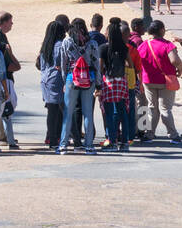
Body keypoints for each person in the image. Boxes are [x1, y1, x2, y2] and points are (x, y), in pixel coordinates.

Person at [55, 18, 99, 154]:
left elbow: (64, 63)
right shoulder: (92, 43)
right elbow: (96, 64)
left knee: (68, 113)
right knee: (88, 114)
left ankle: (63, 145)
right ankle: (89, 146)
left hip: (72, 78)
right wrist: (98, 83)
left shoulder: (67, 42)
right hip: (89, 78)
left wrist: (64, 81)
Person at [138, 20, 181, 143]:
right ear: (161, 30)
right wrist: (180, 70)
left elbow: (138, 62)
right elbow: (175, 61)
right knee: (165, 108)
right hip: (166, 80)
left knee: (152, 107)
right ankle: (173, 134)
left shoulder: (144, 45)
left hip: (148, 80)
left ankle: (149, 134)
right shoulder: (167, 45)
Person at [98, 21, 131, 151]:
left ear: (109, 34)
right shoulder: (124, 47)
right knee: (123, 112)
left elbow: (100, 68)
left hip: (109, 82)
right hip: (121, 82)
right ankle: (125, 143)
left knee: (109, 113)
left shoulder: (103, 48)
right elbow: (131, 64)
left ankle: (112, 141)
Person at [36, 20, 66, 147]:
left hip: (46, 80)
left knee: (51, 111)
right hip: (58, 79)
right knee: (63, 111)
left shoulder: (45, 46)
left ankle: (51, 138)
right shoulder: (60, 45)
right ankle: (60, 138)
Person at [0, 11, 20, 148]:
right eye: (10, 21)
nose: (12, 24)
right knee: (3, 107)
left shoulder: (0, 35)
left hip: (4, 76)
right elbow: (3, 58)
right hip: (3, 77)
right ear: (3, 23)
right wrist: (13, 66)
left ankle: (2, 134)